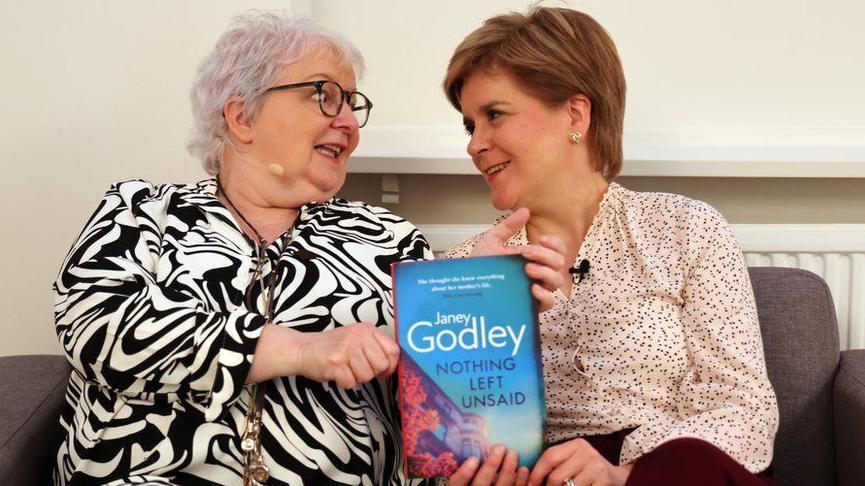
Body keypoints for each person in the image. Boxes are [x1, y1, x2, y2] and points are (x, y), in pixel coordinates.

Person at [52, 11, 564, 486]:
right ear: (241, 116)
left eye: (352, 103)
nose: (347, 122)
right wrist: (299, 349)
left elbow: (436, 406)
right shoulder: (143, 210)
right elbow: (95, 325)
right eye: (324, 96)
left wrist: (470, 297)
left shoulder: (387, 237)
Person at [439, 6, 779, 486]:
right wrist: (481, 301)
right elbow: (455, 441)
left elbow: (746, 411)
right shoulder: (465, 266)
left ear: (576, 114)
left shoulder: (686, 228)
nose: (475, 145)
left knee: (690, 464)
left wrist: (625, 473)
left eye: (494, 115)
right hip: (545, 480)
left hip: (672, 473)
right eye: (470, 126)